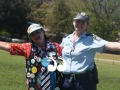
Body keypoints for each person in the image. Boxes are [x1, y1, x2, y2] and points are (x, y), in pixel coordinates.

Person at [59, 12, 120, 90]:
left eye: (83, 22)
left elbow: (110, 45)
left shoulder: (92, 39)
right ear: (73, 22)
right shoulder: (66, 39)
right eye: (77, 21)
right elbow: (58, 52)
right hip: (65, 81)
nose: (79, 24)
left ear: (87, 25)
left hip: (83, 83)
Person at [0, 23, 62, 90]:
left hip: (53, 85)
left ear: (43, 32)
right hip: (35, 86)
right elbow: (7, 46)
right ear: (31, 37)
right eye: (32, 34)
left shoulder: (56, 47)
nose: (35, 35)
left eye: (37, 32)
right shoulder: (28, 47)